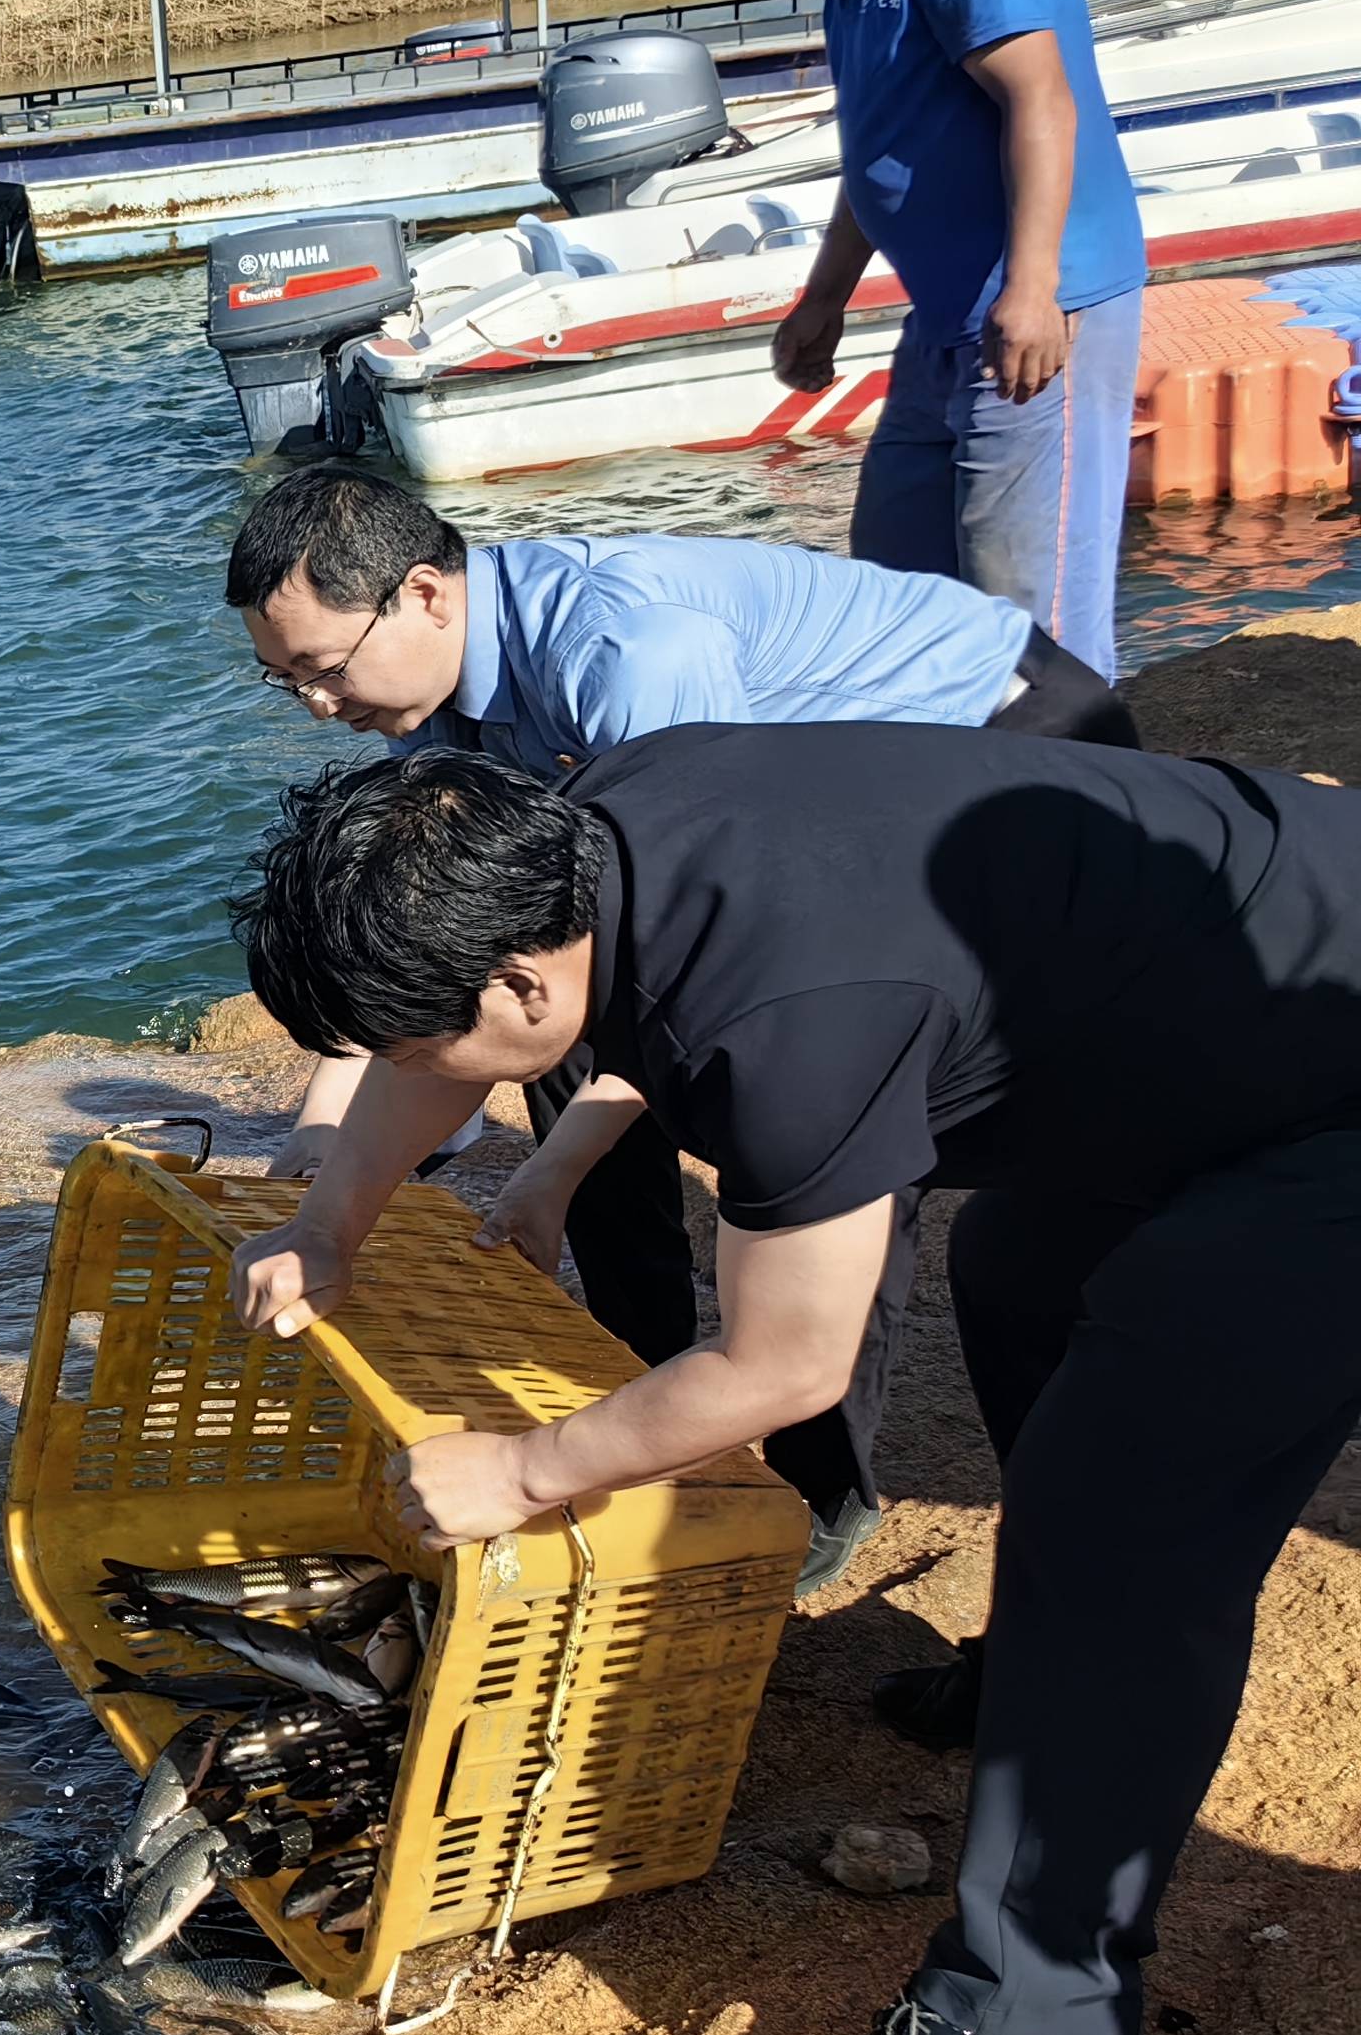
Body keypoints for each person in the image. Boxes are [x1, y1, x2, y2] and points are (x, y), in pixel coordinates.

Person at [222, 734, 1361, 2035]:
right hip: (1224, 1010)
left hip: (1334, 1082)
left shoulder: (784, 1019)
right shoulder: (577, 838)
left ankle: (1039, 2003)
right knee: (1021, 1278)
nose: (408, 1069)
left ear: (523, 983)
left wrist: (521, 1472)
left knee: (1124, 1501)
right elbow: (440, 1059)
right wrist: (331, 1224)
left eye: (412, 1035)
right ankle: (1047, 1694)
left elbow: (783, 1363)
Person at [227, 462, 1133, 1590]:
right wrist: (325, 1179)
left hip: (1010, 742)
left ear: (423, 593)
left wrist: (553, 1170)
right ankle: (643, 1379)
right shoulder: (434, 701)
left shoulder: (631, 659)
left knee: (831, 1136)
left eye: (322, 671)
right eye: (286, 685)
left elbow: (713, 944)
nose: (317, 707)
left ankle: (814, 1497)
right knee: (543, 1026)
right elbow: (424, 948)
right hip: (792, 837)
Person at [710, 0, 1145, 671]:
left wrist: (1033, 292)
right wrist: (822, 299)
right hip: (946, 315)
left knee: (1031, 628)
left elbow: (1042, 99)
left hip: (1041, 307)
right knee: (901, 582)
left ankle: (1087, 809)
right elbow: (882, 144)